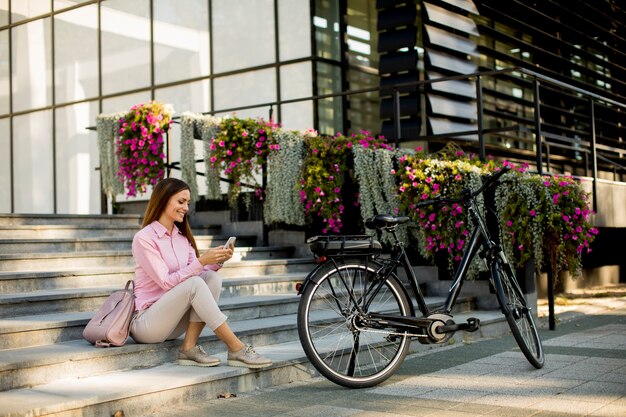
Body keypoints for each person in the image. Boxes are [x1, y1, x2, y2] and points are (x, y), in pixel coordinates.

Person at [129, 177, 272, 369]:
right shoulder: (145, 238)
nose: (186, 208)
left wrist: (216, 260)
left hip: (172, 321)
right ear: (163, 200)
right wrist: (201, 261)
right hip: (147, 324)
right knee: (196, 283)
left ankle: (188, 347)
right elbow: (166, 282)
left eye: (187, 203)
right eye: (181, 202)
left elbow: (195, 271)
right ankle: (236, 347)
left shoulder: (182, 238)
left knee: (211, 278)